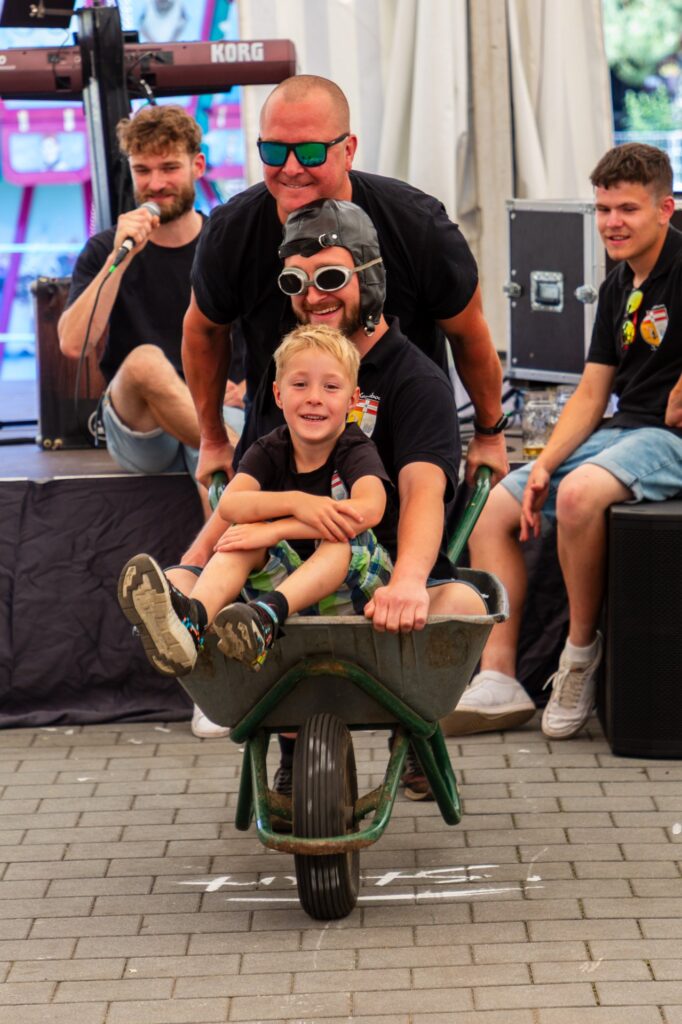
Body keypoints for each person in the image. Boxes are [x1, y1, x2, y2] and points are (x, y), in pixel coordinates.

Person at [167, 199, 488, 798]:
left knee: (465, 607)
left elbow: (422, 494)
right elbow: (249, 484)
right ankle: (291, 735)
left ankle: (410, 724)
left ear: (369, 276)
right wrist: (190, 567)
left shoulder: (414, 380)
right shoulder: (291, 373)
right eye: (296, 282)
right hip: (288, 569)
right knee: (182, 583)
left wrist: (408, 583)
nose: (313, 296)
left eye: (332, 277)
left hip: (378, 573)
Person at [450, 142, 682, 740]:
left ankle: (578, 656)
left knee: (578, 495)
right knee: (493, 507)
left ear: (665, 209)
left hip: (669, 440)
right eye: (603, 209)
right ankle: (499, 676)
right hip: (625, 431)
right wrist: (545, 462)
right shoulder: (617, 284)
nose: (612, 223)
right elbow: (592, 391)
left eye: (627, 209)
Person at [180, 73, 509, 492]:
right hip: (278, 452)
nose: (291, 167)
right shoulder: (233, 231)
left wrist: (489, 432)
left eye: (311, 152)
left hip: (400, 450)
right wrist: (211, 437)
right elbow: (203, 332)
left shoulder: (417, 226)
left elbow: (468, 333)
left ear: (348, 150)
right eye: (275, 151)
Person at [57, 104, 232, 739]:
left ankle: (211, 672)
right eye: (143, 170)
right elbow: (73, 343)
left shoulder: (224, 241)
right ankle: (234, 460)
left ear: (197, 166)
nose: (156, 183)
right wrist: (121, 257)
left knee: (208, 467)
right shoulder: (108, 247)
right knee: (147, 362)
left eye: (168, 168)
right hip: (142, 425)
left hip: (212, 412)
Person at [118, 324, 394, 677]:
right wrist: (296, 503)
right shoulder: (270, 448)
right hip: (287, 586)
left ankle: (266, 617)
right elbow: (230, 505)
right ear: (278, 394)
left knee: (340, 537)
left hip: (354, 591)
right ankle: (193, 623)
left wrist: (276, 530)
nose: (314, 397)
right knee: (240, 537)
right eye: (300, 384)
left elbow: (370, 508)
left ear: (352, 400)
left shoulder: (354, 447)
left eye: (330, 387)